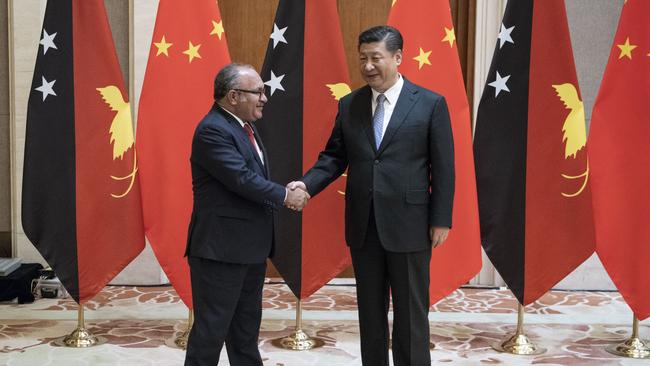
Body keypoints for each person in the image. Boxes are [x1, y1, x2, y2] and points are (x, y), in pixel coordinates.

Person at [288, 26, 455, 366]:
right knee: (370, 313)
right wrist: (306, 185)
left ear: (397, 57)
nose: (367, 66)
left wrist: (441, 219)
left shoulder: (429, 104)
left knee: (411, 314)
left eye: (375, 58)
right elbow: (333, 157)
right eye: (362, 58)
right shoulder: (350, 104)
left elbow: (445, 168)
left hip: (411, 225)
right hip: (364, 225)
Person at [184, 63, 309, 366]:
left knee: (244, 332)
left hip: (249, 248)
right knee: (211, 332)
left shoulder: (244, 126)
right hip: (221, 251)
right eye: (258, 92)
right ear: (233, 96)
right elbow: (241, 179)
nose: (264, 98)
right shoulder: (213, 130)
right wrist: (284, 195)